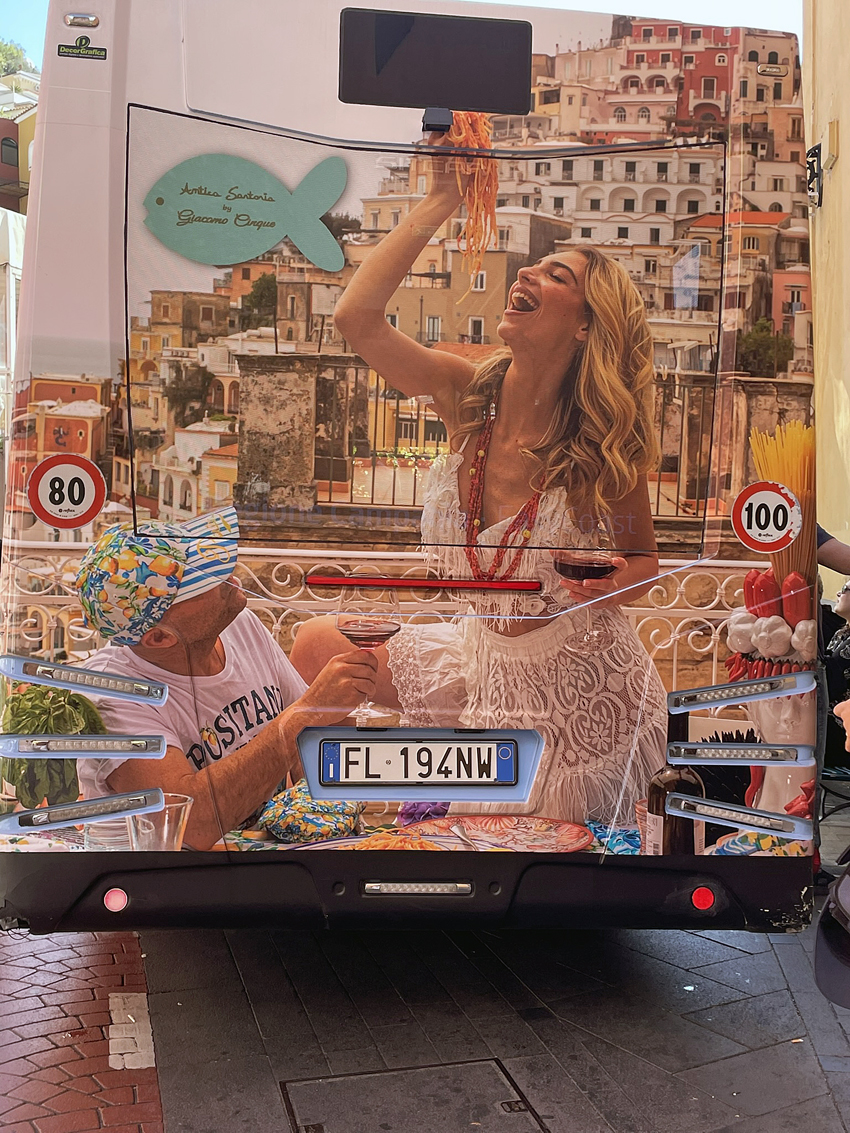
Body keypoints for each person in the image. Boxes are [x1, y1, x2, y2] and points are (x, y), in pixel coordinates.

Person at [290, 135, 667, 825]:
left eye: (557, 275)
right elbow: (355, 319)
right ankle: (324, 808)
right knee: (318, 641)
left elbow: (643, 560)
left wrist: (615, 581)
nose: (530, 272)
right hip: (488, 665)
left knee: (553, 869)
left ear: (587, 326)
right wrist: (439, 200)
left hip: (587, 704)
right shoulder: (465, 399)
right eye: (536, 264)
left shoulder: (596, 448)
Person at [73, 508, 377, 850]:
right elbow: (190, 824)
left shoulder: (239, 625)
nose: (228, 574)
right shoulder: (112, 696)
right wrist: (306, 714)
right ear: (159, 637)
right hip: (165, 877)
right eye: (201, 578)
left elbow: (309, 749)